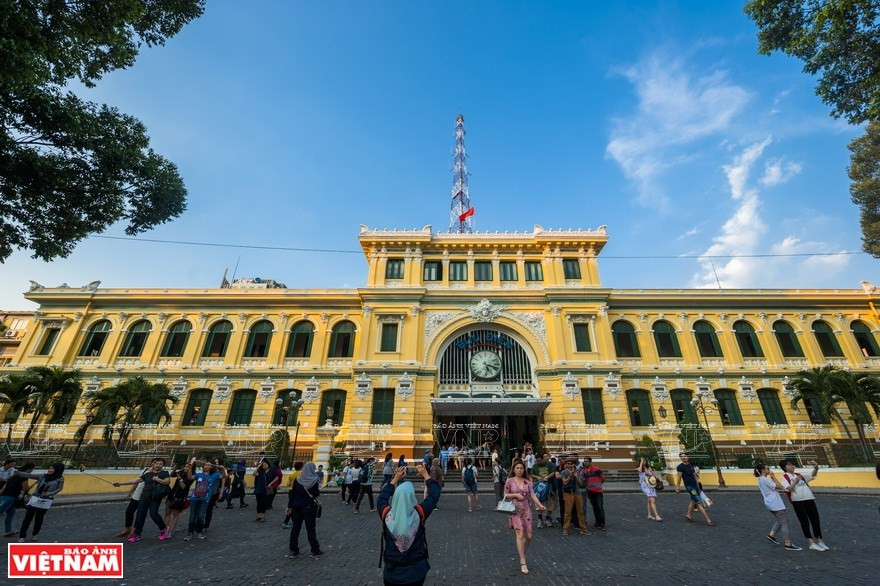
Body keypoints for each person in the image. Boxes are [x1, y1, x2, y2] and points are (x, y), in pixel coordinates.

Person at [378, 463, 440, 586]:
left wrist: (394, 480)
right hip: (416, 572)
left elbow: (381, 498)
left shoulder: (386, 514)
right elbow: (435, 493)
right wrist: (426, 475)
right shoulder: (420, 513)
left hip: (392, 572)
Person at [503, 459, 547, 575]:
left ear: (524, 470)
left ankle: (522, 552)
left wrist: (540, 505)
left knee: (529, 536)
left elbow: (532, 494)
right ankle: (523, 561)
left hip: (526, 510)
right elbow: (505, 495)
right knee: (520, 534)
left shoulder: (528, 482)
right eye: (517, 468)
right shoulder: (510, 481)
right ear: (514, 469)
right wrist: (516, 495)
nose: (519, 470)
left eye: (521, 468)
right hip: (515, 509)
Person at [114, 457, 171, 542]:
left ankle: (163, 529)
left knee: (153, 514)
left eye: (161, 464)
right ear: (154, 464)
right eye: (157, 463)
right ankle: (137, 534)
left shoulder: (164, 473)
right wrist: (120, 483)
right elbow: (135, 481)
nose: (158, 465)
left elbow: (167, 482)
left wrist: (157, 479)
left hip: (155, 497)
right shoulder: (147, 474)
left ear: (163, 465)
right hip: (144, 497)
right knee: (140, 515)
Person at [779, 459, 827, 551]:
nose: (792, 466)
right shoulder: (784, 477)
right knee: (804, 521)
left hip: (809, 498)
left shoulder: (799, 474)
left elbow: (812, 475)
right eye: (789, 465)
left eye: (792, 464)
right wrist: (796, 481)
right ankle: (811, 542)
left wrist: (816, 468)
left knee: (815, 520)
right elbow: (788, 489)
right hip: (798, 501)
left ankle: (820, 540)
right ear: (785, 467)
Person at [755, 463, 801, 551]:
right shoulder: (765, 480)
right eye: (767, 468)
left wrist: (772, 478)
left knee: (780, 520)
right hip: (775, 503)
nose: (769, 469)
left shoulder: (761, 479)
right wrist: (773, 476)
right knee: (784, 522)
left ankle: (771, 535)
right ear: (763, 470)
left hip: (770, 503)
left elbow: (774, 486)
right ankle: (788, 543)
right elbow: (779, 486)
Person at [17, 462, 65, 542]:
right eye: (49, 468)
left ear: (57, 470)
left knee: (39, 518)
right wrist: (18, 472)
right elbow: (29, 475)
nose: (49, 470)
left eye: (52, 468)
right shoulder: (42, 476)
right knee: (27, 518)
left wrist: (50, 493)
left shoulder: (60, 479)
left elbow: (59, 488)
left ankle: (35, 535)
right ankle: (22, 536)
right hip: (35, 498)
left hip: (46, 500)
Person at [286, 461, 323, 558]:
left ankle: (293, 550)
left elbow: (293, 494)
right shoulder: (315, 480)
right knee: (310, 529)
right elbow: (316, 494)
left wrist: (289, 506)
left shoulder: (297, 479)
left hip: (296, 506)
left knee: (295, 529)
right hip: (309, 507)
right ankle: (315, 550)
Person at [185, 460, 222, 540]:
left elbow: (224, 476)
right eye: (205, 465)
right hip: (194, 498)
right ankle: (190, 533)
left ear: (212, 467)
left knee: (201, 516)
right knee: (192, 516)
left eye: (208, 465)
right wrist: (190, 467)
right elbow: (190, 477)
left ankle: (199, 532)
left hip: (205, 498)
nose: (206, 466)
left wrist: (223, 469)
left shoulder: (215, 475)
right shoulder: (198, 474)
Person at [675, 452, 714, 526]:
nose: (683, 457)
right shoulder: (680, 467)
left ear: (688, 457)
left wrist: (698, 486)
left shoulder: (690, 465)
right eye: (682, 456)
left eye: (685, 456)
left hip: (695, 486)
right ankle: (708, 520)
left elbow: (694, 476)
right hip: (690, 487)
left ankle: (688, 515)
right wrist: (678, 487)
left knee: (694, 500)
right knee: (698, 502)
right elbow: (679, 477)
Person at [0, 462, 34, 537]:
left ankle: (8, 531)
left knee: (11, 513)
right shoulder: (24, 477)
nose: (31, 472)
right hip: (10, 497)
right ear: (28, 469)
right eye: (32, 470)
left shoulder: (15, 475)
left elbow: (6, 485)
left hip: (4, 496)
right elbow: (26, 489)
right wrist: (35, 483)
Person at [114, 466, 150, 538]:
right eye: (155, 463)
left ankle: (135, 532)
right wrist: (130, 492)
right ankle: (127, 529)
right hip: (136, 495)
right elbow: (136, 482)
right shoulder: (146, 470)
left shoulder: (158, 473)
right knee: (129, 512)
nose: (156, 465)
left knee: (140, 515)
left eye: (159, 463)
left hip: (146, 497)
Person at [559, 459, 589, 536]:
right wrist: (570, 475)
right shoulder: (564, 472)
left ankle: (583, 528)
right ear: (566, 464)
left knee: (580, 512)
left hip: (577, 492)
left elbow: (581, 483)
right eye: (568, 463)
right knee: (568, 512)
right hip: (568, 493)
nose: (570, 465)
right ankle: (565, 528)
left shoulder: (577, 471)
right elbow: (564, 482)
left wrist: (575, 476)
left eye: (571, 464)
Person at [163, 462, 193, 539]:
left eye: (188, 467)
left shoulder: (191, 476)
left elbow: (184, 487)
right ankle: (164, 531)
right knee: (167, 513)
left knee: (175, 514)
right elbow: (172, 475)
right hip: (172, 494)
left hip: (180, 497)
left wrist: (180, 480)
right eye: (185, 466)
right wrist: (174, 469)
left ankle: (170, 532)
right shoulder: (181, 472)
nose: (186, 468)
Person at [529, 454, 555, 528]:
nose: (539, 462)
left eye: (540, 461)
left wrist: (547, 477)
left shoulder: (549, 464)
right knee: (538, 502)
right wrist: (537, 477)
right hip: (539, 487)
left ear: (543, 459)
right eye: (538, 461)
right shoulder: (535, 466)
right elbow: (531, 474)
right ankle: (540, 519)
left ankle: (547, 518)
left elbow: (553, 472)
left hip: (550, 487)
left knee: (551, 503)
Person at [202, 458, 228, 532]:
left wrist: (221, 492)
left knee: (209, 509)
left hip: (214, 492)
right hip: (204, 492)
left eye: (217, 462)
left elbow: (223, 479)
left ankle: (206, 525)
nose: (216, 463)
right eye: (215, 462)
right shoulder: (207, 471)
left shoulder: (218, 471)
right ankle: (200, 523)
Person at [582, 456, 606, 530]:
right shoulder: (584, 471)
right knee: (595, 507)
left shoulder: (596, 469)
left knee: (599, 507)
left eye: (586, 461)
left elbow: (603, 477)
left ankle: (602, 523)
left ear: (590, 462)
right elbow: (585, 480)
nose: (585, 463)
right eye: (584, 461)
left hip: (598, 491)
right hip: (590, 491)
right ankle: (597, 522)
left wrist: (599, 484)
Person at [282, 462, 305, 529]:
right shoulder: (302, 474)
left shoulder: (292, 474)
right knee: (294, 507)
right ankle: (286, 522)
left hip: (291, 491)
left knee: (292, 505)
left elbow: (288, 484)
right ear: (301, 467)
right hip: (298, 491)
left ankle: (293, 520)